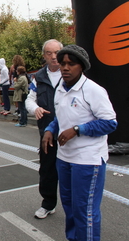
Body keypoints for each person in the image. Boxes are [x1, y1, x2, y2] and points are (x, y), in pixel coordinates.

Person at [42, 45, 117, 240]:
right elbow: (62, 116)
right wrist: (51, 129)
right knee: (70, 207)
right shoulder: (60, 87)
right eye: (62, 63)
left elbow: (110, 123)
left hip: (88, 159)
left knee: (85, 211)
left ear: (81, 67)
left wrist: (78, 130)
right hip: (64, 158)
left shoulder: (93, 90)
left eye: (71, 64)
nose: (65, 68)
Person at [25, 39, 63, 219]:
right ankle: (48, 203)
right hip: (46, 131)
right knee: (47, 170)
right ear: (44, 56)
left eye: (57, 52)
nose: (54, 57)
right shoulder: (38, 77)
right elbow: (29, 99)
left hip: (69, 133)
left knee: (70, 171)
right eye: (50, 53)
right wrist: (35, 109)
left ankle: (74, 207)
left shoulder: (70, 71)